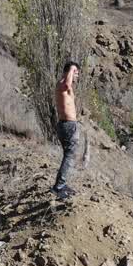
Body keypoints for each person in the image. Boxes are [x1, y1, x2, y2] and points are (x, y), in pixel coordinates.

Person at [51, 61, 80, 199]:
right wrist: (71, 69)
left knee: (68, 156)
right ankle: (59, 186)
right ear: (69, 72)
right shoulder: (63, 84)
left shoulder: (66, 86)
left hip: (68, 125)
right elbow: (67, 84)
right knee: (69, 155)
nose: (76, 76)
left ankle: (62, 184)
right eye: (75, 73)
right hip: (67, 125)